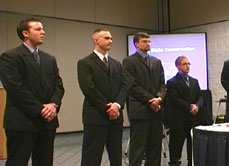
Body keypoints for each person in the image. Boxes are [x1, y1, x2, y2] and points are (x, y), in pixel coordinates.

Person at [0, 18, 65, 166]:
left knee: (44, 162)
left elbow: (58, 86)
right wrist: (40, 109)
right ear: (25, 33)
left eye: (43, 29)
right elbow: (15, 87)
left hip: (47, 123)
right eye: (38, 29)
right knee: (17, 161)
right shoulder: (10, 57)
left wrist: (53, 105)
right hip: (22, 121)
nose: (43, 32)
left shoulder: (49, 59)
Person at [77, 29, 127, 166]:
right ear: (96, 40)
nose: (110, 40)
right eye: (106, 38)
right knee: (92, 157)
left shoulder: (116, 64)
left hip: (116, 117)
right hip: (96, 116)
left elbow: (124, 86)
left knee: (116, 156)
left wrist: (116, 105)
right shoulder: (85, 63)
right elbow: (88, 89)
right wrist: (107, 108)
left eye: (111, 38)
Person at [122, 32, 166, 166]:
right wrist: (151, 100)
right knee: (138, 148)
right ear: (136, 44)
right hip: (140, 111)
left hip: (156, 110)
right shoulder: (129, 61)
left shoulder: (156, 62)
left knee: (155, 148)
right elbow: (132, 85)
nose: (148, 43)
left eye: (149, 41)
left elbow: (162, 84)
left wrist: (159, 98)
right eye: (144, 41)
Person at [166, 56, 203, 166]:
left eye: (189, 64)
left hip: (193, 119)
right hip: (179, 119)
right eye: (184, 64)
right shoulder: (172, 82)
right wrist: (189, 108)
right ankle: (174, 163)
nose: (187, 66)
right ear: (178, 66)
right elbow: (175, 99)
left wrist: (197, 106)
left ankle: (191, 162)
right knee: (176, 145)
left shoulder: (194, 81)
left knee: (192, 145)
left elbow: (200, 96)